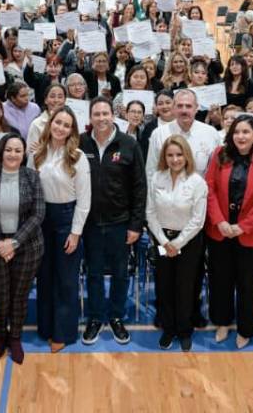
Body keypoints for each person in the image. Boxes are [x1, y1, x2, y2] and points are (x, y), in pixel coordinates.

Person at [204, 115, 253, 349]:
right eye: (237, 132)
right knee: (220, 280)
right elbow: (210, 188)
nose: (241, 136)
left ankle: (245, 329)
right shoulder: (219, 154)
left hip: (249, 233)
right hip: (220, 230)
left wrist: (242, 226)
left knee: (247, 283)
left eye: (246, 132)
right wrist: (220, 222)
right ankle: (222, 322)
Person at [79, 98, 147, 346]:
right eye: (96, 114)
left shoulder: (128, 144)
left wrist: (136, 225)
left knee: (120, 273)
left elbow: (140, 187)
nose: (101, 118)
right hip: (90, 224)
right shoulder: (80, 142)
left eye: (105, 113)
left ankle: (117, 316)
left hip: (121, 222)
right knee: (94, 273)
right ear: (90, 117)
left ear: (113, 115)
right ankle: (96, 317)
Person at [0, 133, 45, 363]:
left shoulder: (32, 177)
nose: (13, 154)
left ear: (24, 153)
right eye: (8, 149)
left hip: (26, 246)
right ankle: (0, 337)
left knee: (19, 295)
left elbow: (37, 214)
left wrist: (14, 242)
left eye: (17, 150)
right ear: (1, 151)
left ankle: (15, 337)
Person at [34, 106, 91, 351]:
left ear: (72, 131)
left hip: (67, 219)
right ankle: (46, 326)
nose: (60, 128)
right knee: (44, 277)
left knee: (65, 280)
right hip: (41, 219)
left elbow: (84, 200)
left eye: (66, 125)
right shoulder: (37, 153)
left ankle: (62, 332)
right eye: (58, 122)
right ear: (50, 124)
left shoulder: (78, 157)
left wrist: (75, 232)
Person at [146, 134, 208, 352]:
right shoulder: (156, 178)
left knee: (185, 286)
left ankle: (184, 330)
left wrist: (178, 243)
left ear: (186, 156)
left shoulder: (197, 182)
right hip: (163, 238)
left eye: (179, 154)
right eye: (170, 155)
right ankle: (168, 328)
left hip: (188, 242)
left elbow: (198, 220)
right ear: (164, 156)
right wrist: (164, 241)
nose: (175, 159)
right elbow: (150, 213)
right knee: (164, 284)